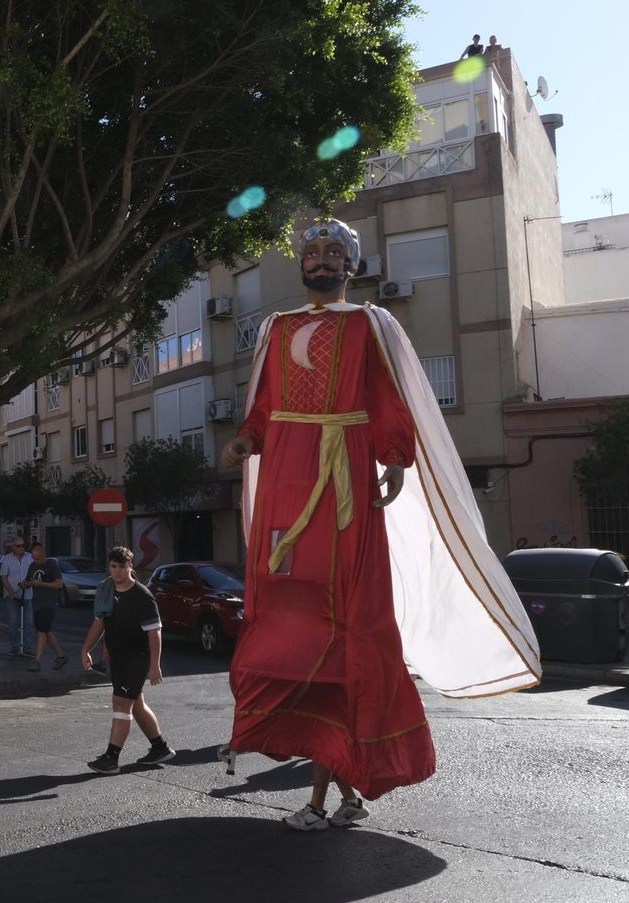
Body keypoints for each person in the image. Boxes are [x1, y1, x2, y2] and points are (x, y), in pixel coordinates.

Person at [221, 218, 540, 831]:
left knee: (348, 625)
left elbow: (389, 395)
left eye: (332, 252)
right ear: (300, 265)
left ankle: (332, 794)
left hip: (344, 476)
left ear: (352, 264)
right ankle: (339, 789)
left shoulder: (372, 324)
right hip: (286, 475)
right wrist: (245, 440)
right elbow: (262, 406)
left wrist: (394, 455)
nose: (319, 261)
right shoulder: (276, 328)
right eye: (310, 253)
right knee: (290, 615)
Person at [81, 546, 175, 773]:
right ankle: (160, 748)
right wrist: (86, 649)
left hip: (137, 657)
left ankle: (111, 758)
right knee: (137, 704)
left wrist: (155, 666)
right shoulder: (107, 589)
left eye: (122, 566)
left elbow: (155, 632)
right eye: (114, 566)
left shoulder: (142, 596)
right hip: (119, 657)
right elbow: (100, 622)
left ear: (131, 567)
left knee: (121, 703)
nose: (118, 571)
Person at [22, 542, 68, 672]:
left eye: (38, 557)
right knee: (45, 631)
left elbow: (59, 584)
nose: (36, 560)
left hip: (49, 603)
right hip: (36, 603)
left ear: (43, 553)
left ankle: (36, 660)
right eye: (34, 558)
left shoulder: (51, 565)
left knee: (42, 630)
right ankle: (61, 656)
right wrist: (26, 584)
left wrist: (41, 584)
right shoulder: (32, 566)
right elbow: (28, 581)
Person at [0, 537, 33, 657]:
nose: (21, 548)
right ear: (13, 547)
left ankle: (28, 648)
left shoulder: (29, 557)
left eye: (23, 546)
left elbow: (33, 574)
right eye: (18, 546)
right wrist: (11, 592)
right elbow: (3, 577)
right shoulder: (7, 559)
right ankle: (14, 647)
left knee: (29, 622)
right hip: (11, 595)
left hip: (27, 594)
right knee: (13, 623)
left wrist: (29, 583)